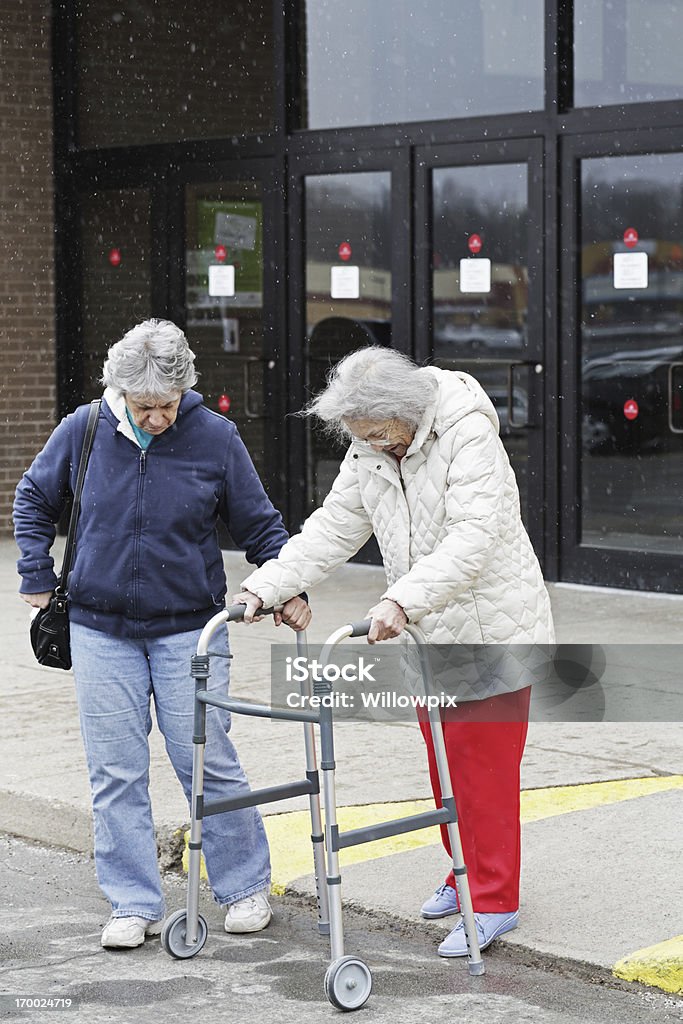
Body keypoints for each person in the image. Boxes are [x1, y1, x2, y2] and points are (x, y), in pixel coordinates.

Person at [234, 346, 554, 958]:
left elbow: (473, 538)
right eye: (363, 438)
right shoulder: (374, 445)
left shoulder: (466, 430)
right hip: (427, 631)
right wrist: (265, 586)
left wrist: (401, 600)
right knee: (443, 765)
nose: (375, 447)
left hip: (491, 629)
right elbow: (334, 527)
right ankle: (462, 870)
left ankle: (493, 899)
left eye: (382, 435)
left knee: (481, 771)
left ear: (408, 414)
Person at [13, 319, 310, 950]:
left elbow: (259, 523)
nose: (156, 418)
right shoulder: (84, 429)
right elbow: (33, 497)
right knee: (115, 771)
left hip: (188, 632)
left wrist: (286, 588)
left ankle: (244, 886)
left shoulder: (215, 437)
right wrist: (36, 575)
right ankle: (133, 902)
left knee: (205, 760)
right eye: (143, 406)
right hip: (101, 631)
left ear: (186, 393)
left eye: (167, 406)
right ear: (119, 393)